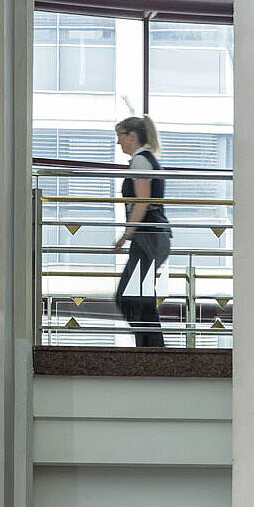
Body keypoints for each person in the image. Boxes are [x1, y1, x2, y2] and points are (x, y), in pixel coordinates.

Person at [111, 116, 171, 348]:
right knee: (139, 295)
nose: (118, 142)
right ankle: (150, 350)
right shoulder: (147, 160)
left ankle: (151, 351)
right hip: (152, 235)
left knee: (130, 296)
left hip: (148, 235)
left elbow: (142, 201)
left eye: (120, 136)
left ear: (132, 136)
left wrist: (126, 235)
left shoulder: (140, 161)